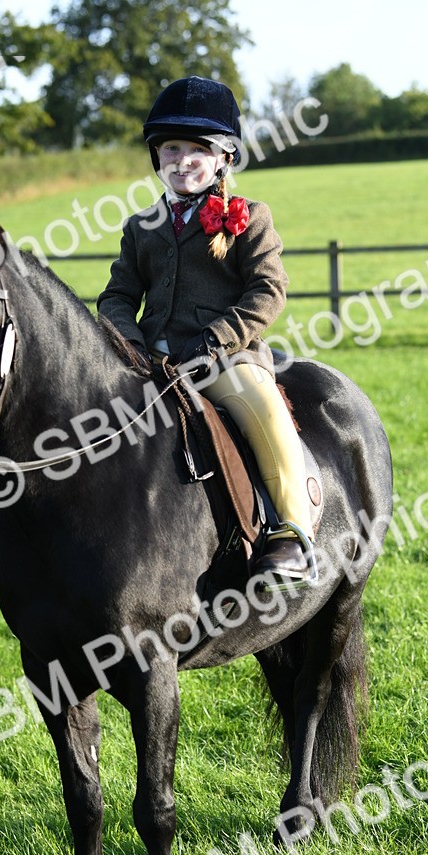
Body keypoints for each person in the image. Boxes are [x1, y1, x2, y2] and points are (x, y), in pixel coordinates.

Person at [96, 75, 315, 581]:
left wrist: (215, 342)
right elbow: (119, 295)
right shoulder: (140, 226)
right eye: (171, 148)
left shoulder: (250, 217)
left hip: (226, 359)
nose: (182, 159)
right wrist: (128, 342)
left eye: (198, 149)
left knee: (263, 406)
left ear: (223, 159)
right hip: (148, 360)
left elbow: (268, 291)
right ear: (157, 157)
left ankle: (291, 531)